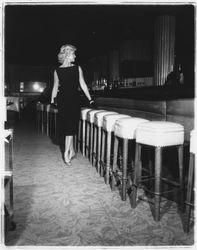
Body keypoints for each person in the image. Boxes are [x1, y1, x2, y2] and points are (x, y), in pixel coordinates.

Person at [51, 44, 94, 165]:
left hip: (74, 100)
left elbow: (83, 84)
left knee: (71, 126)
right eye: (73, 53)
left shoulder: (77, 68)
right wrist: (52, 101)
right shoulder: (57, 70)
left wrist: (90, 99)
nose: (75, 56)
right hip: (63, 100)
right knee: (67, 126)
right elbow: (55, 87)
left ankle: (69, 151)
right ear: (68, 55)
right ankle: (68, 151)